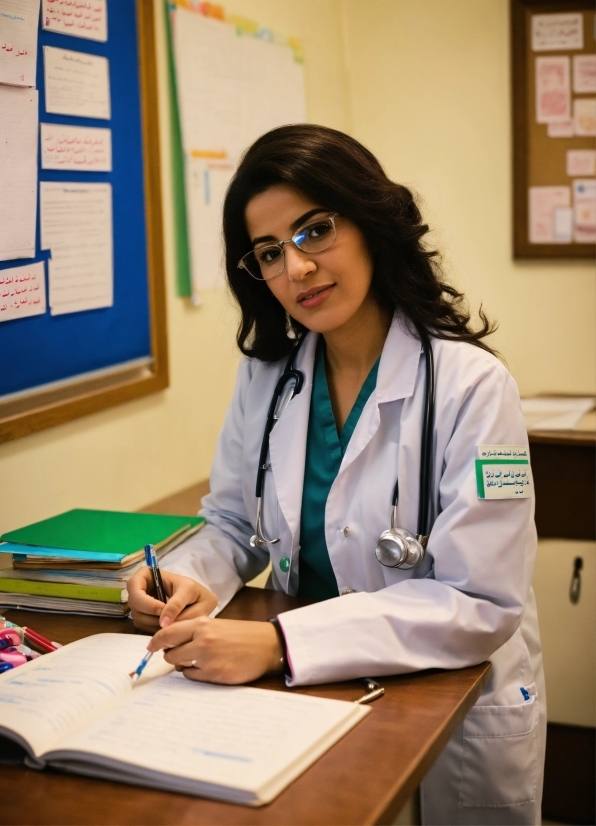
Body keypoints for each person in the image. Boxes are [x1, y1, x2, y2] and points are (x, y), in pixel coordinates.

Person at [128, 124, 545, 825]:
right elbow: (234, 522)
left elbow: (481, 598)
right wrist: (191, 577)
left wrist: (278, 644)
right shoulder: (266, 380)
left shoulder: (474, 388)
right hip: (303, 698)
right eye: (269, 252)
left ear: (371, 220)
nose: (296, 269)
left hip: (436, 698)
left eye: (314, 231)